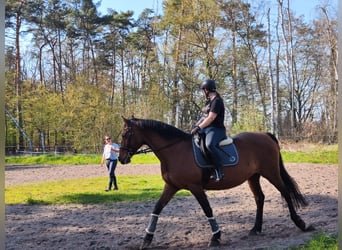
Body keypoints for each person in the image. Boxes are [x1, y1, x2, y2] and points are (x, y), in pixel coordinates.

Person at [191, 79, 226, 182]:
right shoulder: (209, 102)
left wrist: (199, 127)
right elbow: (204, 117)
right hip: (207, 129)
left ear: (206, 90)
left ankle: (219, 170)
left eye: (203, 90)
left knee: (209, 144)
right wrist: (196, 126)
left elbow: (211, 118)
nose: (203, 93)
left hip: (217, 130)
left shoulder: (217, 101)